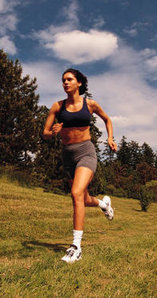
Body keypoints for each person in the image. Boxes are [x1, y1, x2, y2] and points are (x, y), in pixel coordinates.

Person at [43, 68, 117, 263]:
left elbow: (107, 119)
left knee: (75, 193)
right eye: (63, 80)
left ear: (79, 83)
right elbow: (45, 133)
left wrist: (110, 138)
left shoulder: (90, 104)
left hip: (86, 151)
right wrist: (54, 132)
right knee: (82, 198)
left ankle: (76, 247)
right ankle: (103, 204)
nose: (65, 83)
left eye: (69, 79)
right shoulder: (57, 107)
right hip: (67, 155)